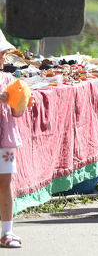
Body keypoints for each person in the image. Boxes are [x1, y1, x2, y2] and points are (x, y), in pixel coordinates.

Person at [0, 32, 33, 249]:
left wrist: (20, 104)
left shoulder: (8, 79)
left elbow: (16, 113)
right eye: (1, 53)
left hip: (6, 141)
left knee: (5, 183)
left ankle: (7, 231)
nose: (3, 57)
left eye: (3, 53)